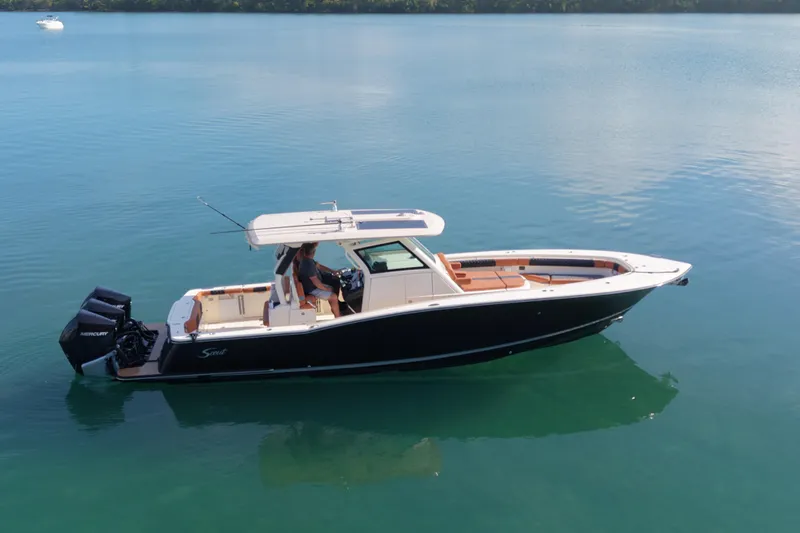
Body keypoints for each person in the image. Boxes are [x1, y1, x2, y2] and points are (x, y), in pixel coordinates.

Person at [297, 242, 341, 317]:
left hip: (310, 286)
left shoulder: (306, 260)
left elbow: (319, 266)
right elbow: (315, 281)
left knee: (332, 287)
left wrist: (332, 271)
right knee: (333, 297)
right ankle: (338, 317)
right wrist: (325, 289)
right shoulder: (308, 264)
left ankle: (335, 309)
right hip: (311, 289)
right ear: (313, 252)